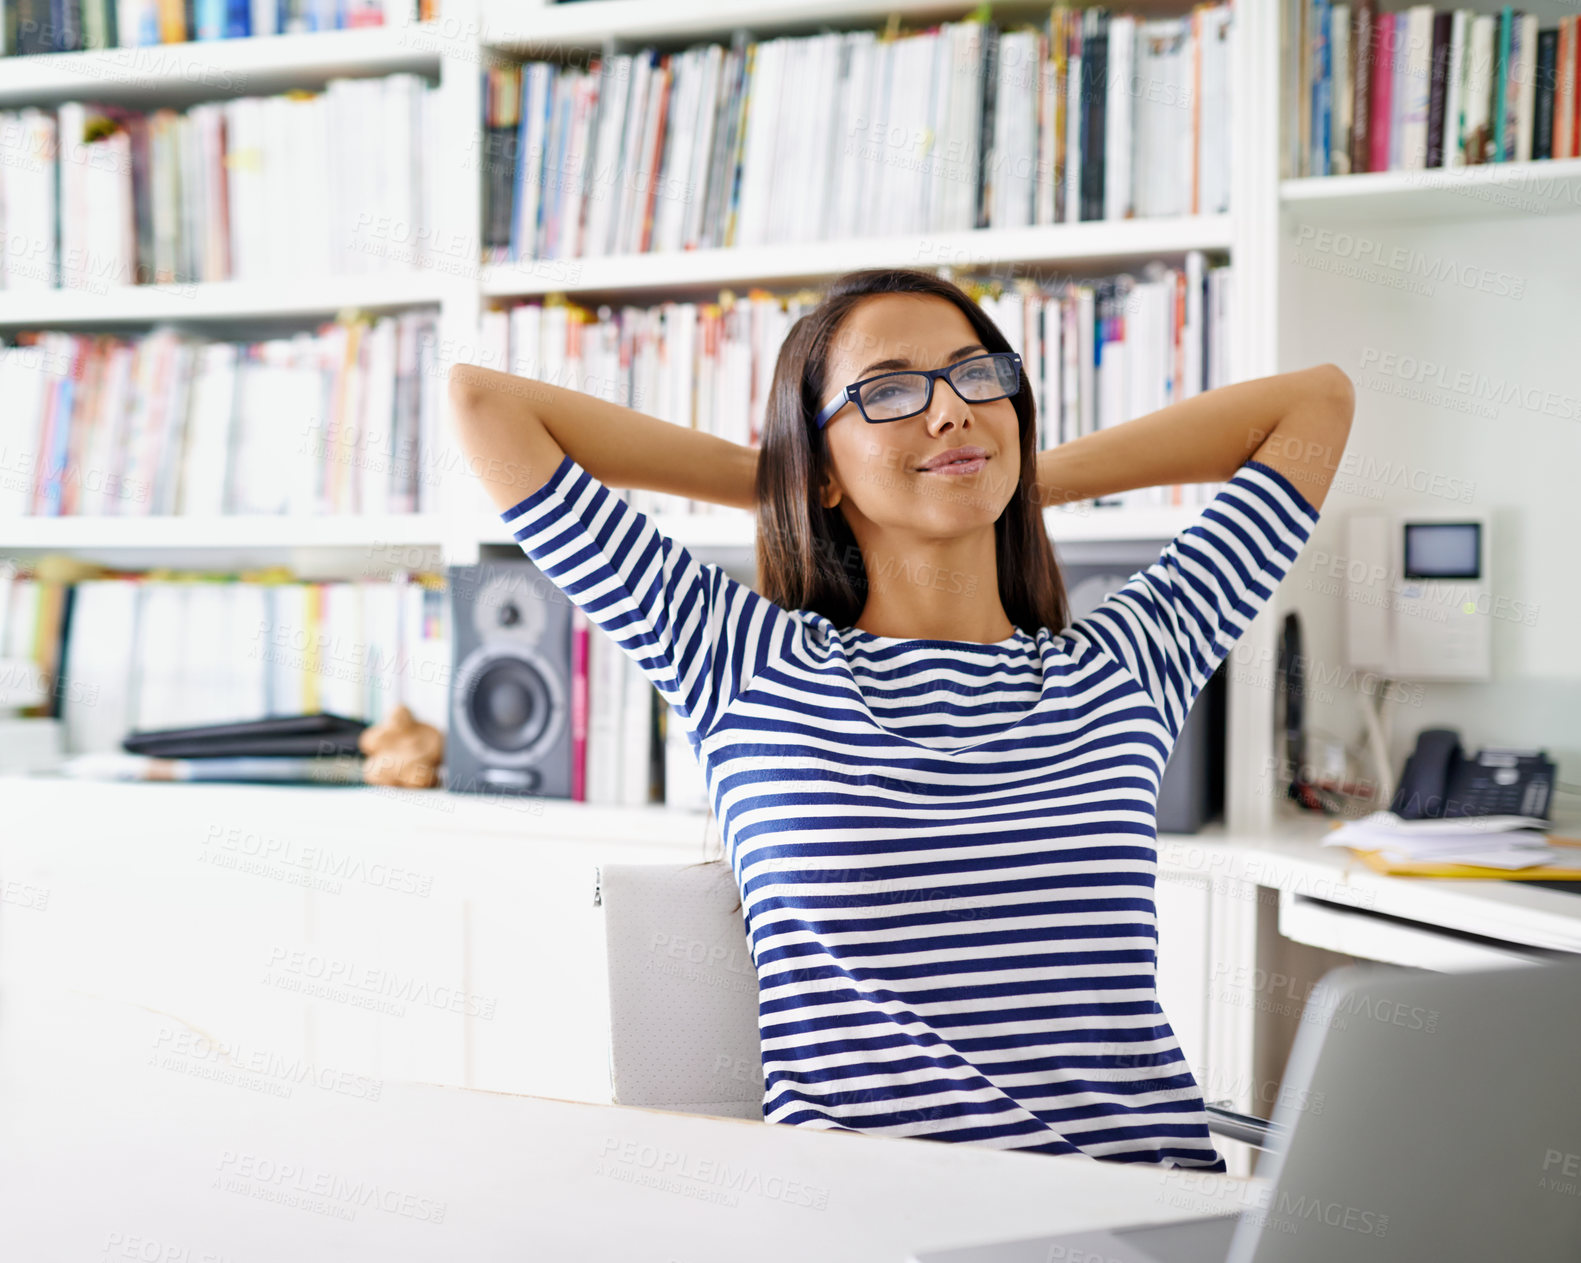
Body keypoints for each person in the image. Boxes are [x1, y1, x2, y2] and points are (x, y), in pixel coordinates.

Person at [448, 267, 1354, 1170]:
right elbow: (487, 404)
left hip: (1139, 1207)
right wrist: (789, 477)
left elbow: (1314, 404)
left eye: (977, 375)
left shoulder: (1125, 664)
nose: (952, 408)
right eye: (886, 391)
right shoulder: (737, 659)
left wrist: (1011, 470)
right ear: (821, 464)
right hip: (870, 1217)